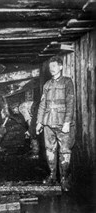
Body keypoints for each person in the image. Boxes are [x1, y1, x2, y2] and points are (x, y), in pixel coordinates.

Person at [36, 56, 75, 191]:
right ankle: (52, 176)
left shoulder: (67, 82)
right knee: (49, 150)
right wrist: (39, 122)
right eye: (50, 67)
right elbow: (42, 104)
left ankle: (64, 180)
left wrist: (67, 122)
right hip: (48, 123)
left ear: (60, 67)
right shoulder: (46, 85)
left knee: (64, 151)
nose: (51, 69)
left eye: (54, 66)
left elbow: (70, 103)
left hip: (62, 122)